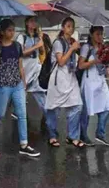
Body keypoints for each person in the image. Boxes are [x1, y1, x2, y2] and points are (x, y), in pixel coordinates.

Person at [0, 19, 40, 157]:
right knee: (0, 114)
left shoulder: (18, 46)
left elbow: (20, 66)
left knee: (22, 114)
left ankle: (24, 144)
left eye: (13, 30)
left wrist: (23, 82)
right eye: (9, 30)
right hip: (2, 85)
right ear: (2, 32)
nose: (12, 32)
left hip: (17, 84)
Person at [45, 17, 84, 148]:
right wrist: (72, 49)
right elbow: (61, 62)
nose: (71, 29)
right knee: (53, 108)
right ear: (63, 28)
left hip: (71, 77)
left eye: (72, 26)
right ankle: (52, 135)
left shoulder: (72, 41)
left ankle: (72, 136)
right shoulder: (58, 42)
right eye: (68, 26)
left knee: (77, 105)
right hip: (59, 79)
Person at [79, 26, 109, 147]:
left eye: (101, 34)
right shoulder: (86, 47)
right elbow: (81, 65)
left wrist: (106, 64)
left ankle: (100, 133)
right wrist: (94, 61)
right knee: (87, 110)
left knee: (108, 106)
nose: (100, 36)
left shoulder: (103, 48)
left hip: (100, 79)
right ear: (91, 34)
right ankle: (83, 135)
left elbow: (103, 63)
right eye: (98, 34)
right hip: (89, 80)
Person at [16, 16, 47, 124]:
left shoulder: (38, 37)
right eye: (31, 21)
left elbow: (42, 51)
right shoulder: (22, 37)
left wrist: (41, 39)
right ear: (27, 24)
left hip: (35, 70)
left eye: (35, 21)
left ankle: (48, 117)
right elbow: (20, 53)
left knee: (40, 94)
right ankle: (21, 118)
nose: (34, 23)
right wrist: (36, 46)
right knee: (22, 95)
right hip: (24, 70)